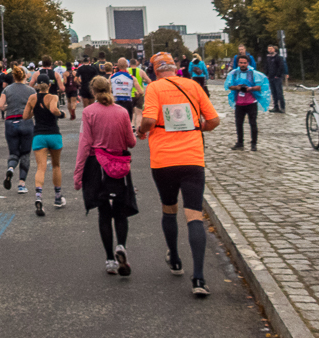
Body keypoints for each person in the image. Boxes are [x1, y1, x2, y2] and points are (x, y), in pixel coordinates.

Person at [137, 52, 221, 298]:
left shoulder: (155, 88)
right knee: (194, 214)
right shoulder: (193, 86)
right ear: (175, 68)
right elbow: (214, 120)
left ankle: (174, 258)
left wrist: (142, 131)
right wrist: (197, 127)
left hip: (163, 160)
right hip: (192, 158)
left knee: (169, 208)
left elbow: (150, 119)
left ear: (155, 70)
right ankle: (199, 278)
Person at [75, 75, 138, 275]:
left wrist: (78, 174)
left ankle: (110, 259)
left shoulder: (88, 112)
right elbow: (131, 142)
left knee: (104, 213)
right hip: (119, 165)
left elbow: (85, 144)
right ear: (110, 89)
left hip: (97, 166)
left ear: (93, 92)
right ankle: (121, 245)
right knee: (120, 211)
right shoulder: (121, 112)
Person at [22, 73, 66, 215]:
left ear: (37, 85)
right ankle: (58, 197)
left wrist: (36, 112)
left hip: (39, 136)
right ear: (50, 85)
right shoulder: (53, 97)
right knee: (56, 165)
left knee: (41, 168)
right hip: (53, 135)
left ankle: (39, 197)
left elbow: (25, 116)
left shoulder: (32, 98)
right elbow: (53, 109)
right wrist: (62, 114)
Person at [0, 65, 35, 194]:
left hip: (11, 122)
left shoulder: (7, 90)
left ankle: (11, 168)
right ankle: (21, 184)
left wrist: (8, 107)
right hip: (26, 122)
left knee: (13, 152)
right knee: (25, 154)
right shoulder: (31, 91)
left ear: (13, 77)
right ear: (25, 76)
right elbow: (34, 108)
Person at [224, 54, 269, 151]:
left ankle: (254, 144)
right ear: (238, 63)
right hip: (239, 103)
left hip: (251, 102)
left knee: (253, 123)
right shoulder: (234, 73)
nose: (243, 64)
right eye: (241, 63)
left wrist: (250, 88)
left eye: (244, 63)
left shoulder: (253, 73)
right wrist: (237, 87)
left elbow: (259, 87)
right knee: (238, 123)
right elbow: (229, 85)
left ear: (248, 63)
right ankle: (240, 142)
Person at [262, 46, 288, 112]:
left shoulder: (278, 57)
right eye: (269, 49)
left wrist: (278, 75)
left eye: (271, 49)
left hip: (277, 78)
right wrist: (266, 74)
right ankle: (275, 107)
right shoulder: (268, 57)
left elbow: (281, 66)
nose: (270, 50)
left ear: (274, 49)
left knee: (279, 93)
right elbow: (266, 66)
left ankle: (282, 107)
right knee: (273, 93)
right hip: (270, 77)